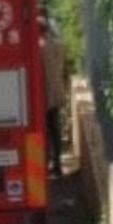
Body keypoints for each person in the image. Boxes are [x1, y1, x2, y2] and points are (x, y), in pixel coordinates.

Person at [39, 14, 69, 178]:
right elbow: (64, 70)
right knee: (55, 130)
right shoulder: (58, 45)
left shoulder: (38, 47)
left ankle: (47, 162)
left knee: (43, 132)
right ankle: (57, 165)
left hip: (41, 97)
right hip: (56, 94)